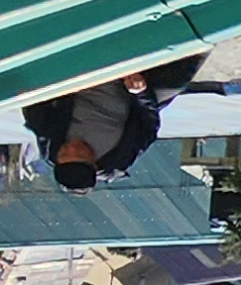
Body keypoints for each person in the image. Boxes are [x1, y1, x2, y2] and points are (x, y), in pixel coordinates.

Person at [22, 53, 203, 191]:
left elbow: (35, 109)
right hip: (132, 94)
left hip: (81, 79)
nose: (72, 146)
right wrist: (141, 94)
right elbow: (148, 124)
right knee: (175, 78)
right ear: (94, 164)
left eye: (64, 152)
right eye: (80, 152)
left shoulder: (50, 147)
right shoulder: (118, 159)